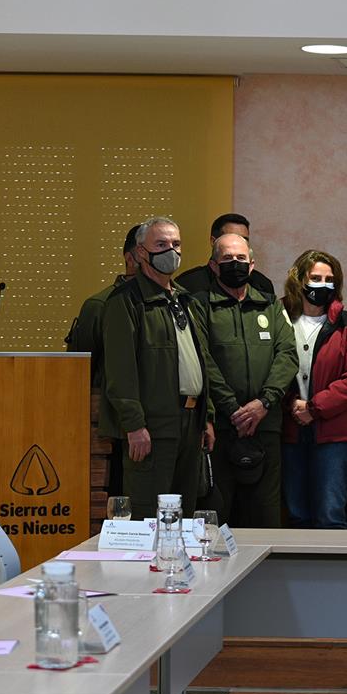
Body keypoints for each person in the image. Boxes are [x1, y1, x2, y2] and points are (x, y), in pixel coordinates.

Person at [100, 216, 214, 519]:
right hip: (152, 425)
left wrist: (207, 417)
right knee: (150, 513)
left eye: (176, 244)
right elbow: (120, 370)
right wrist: (134, 424)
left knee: (185, 512)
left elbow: (201, 361)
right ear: (140, 253)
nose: (171, 251)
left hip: (191, 421)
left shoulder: (186, 300)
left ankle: (178, 568)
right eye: (161, 244)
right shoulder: (125, 301)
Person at [190, 233, 298, 528]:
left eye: (240, 259)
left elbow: (287, 355)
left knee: (265, 518)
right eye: (227, 258)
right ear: (213, 265)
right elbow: (202, 360)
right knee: (215, 519)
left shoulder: (270, 306)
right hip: (221, 429)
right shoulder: (199, 306)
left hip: (265, 426)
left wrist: (263, 403)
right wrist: (233, 409)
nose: (234, 264)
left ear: (252, 265)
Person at [279, 250, 347, 529]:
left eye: (329, 279)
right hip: (290, 431)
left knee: (330, 515)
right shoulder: (279, 317)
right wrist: (293, 404)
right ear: (299, 279)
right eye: (315, 277)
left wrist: (314, 408)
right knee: (297, 514)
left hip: (335, 435)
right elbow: (269, 368)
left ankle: (334, 574)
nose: (322, 284)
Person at [67, 224, 141, 496]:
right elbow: (80, 371)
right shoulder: (101, 305)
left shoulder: (177, 302)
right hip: (118, 430)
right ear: (129, 257)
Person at [177, 213, 275, 298]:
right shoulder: (188, 284)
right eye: (231, 237)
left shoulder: (261, 285)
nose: (238, 242)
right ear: (213, 241)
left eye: (244, 239)